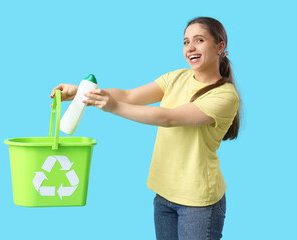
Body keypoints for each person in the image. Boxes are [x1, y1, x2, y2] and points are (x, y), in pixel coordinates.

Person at [50, 16, 240, 240]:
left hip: (198, 203)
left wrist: (114, 107)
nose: (190, 47)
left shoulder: (225, 96)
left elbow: (169, 118)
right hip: (164, 194)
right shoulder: (176, 77)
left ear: (220, 46)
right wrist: (80, 93)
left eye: (199, 40)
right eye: (186, 42)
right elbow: (129, 95)